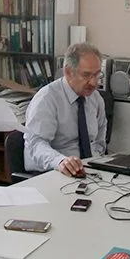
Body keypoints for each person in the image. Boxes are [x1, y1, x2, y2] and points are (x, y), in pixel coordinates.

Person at [24, 42, 107, 177]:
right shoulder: (47, 98)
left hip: (87, 172)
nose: (93, 83)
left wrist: (96, 163)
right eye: (86, 75)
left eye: (97, 75)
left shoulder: (95, 98)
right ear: (68, 72)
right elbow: (36, 144)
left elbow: (99, 141)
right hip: (50, 172)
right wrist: (60, 161)